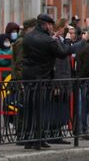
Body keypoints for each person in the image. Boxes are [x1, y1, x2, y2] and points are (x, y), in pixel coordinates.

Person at [19, 13, 75, 149]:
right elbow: (63, 53)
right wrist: (67, 41)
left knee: (30, 108)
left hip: (28, 78)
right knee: (40, 109)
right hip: (43, 78)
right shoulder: (48, 40)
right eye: (50, 25)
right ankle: (38, 139)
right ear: (46, 25)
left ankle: (29, 138)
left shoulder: (28, 37)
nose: (51, 27)